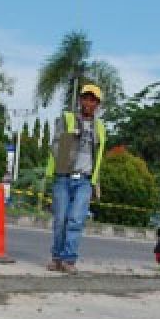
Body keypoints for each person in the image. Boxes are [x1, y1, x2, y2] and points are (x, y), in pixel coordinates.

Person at [44, 83, 105, 273]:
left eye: (93, 100)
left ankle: (68, 260)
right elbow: (55, 143)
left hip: (85, 180)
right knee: (61, 219)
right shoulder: (67, 118)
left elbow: (99, 156)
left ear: (97, 104)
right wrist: (64, 158)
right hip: (64, 176)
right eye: (86, 98)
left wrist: (96, 183)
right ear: (80, 100)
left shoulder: (100, 128)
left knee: (76, 220)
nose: (89, 102)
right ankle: (56, 257)